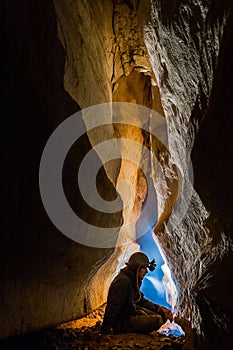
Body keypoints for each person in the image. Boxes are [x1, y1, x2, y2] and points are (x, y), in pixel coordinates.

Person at [101, 251, 173, 334]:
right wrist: (105, 331)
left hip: (129, 313)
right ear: (137, 268)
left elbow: (139, 300)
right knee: (158, 320)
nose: (146, 271)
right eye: (144, 268)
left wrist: (159, 308)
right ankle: (125, 330)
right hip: (122, 322)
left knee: (160, 315)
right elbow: (112, 308)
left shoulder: (132, 279)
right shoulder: (123, 282)